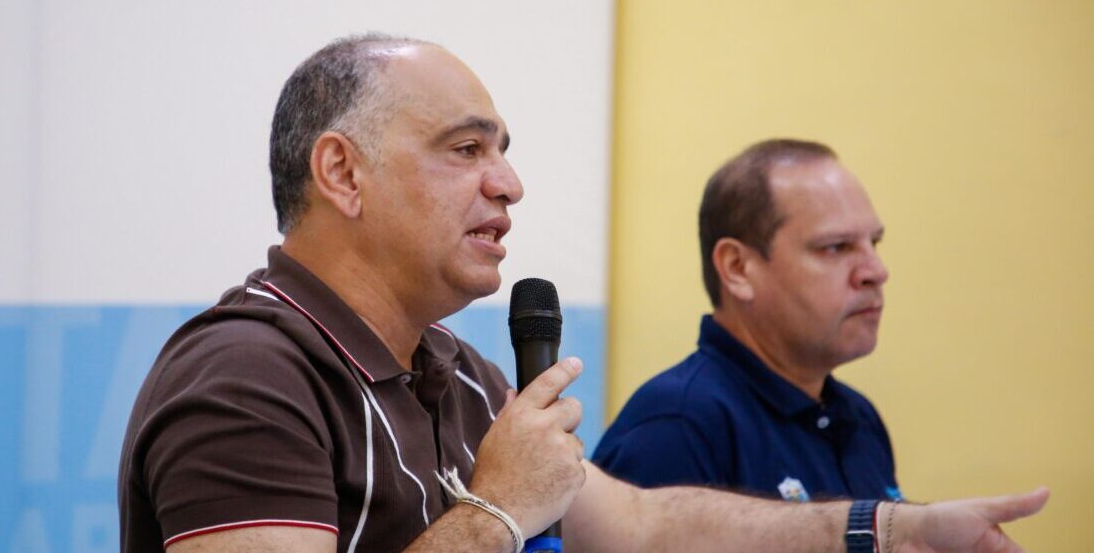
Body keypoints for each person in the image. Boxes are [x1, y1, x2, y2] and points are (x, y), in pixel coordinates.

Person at [118, 35, 1047, 553]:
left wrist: (888, 528)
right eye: (466, 149)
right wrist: (495, 513)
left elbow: (643, 525)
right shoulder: (248, 374)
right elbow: (511, 510)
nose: (509, 185)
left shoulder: (462, 374)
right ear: (342, 173)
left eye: (504, 152)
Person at [593, 139, 904, 503]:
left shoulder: (858, 417)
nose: (876, 272)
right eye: (836, 247)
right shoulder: (678, 428)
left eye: (874, 243)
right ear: (738, 268)